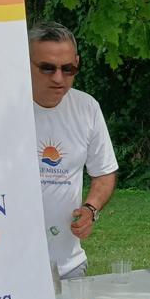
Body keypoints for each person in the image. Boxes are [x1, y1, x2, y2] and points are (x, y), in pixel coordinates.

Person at [29, 21, 118, 279]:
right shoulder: (3, 110)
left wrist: (91, 209)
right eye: (47, 68)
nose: (59, 78)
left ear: (77, 63)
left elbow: (104, 172)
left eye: (68, 69)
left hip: (68, 266)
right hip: (9, 268)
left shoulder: (87, 108)